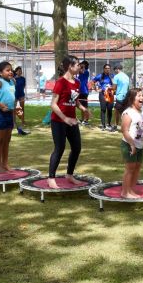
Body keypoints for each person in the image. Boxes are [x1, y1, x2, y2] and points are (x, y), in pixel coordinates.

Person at [48, 55, 89, 188]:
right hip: (58, 121)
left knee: (77, 148)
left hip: (72, 121)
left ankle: (69, 175)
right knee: (59, 148)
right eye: (77, 65)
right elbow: (53, 104)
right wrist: (64, 118)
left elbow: (74, 100)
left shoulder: (77, 82)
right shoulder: (61, 82)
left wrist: (83, 108)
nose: (79, 67)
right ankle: (51, 178)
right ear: (70, 67)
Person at [120, 88, 143, 198]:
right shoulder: (128, 113)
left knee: (137, 167)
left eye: (142, 96)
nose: (142, 98)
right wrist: (131, 144)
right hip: (129, 144)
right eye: (139, 96)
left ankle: (130, 190)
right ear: (131, 98)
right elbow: (124, 130)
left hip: (140, 144)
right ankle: (125, 192)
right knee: (130, 168)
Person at [92, 63, 115, 131]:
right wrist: (96, 89)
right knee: (103, 109)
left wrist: (112, 88)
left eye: (109, 68)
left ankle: (109, 124)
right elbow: (93, 82)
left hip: (110, 94)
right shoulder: (100, 76)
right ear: (104, 69)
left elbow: (115, 84)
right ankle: (103, 125)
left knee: (110, 109)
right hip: (102, 95)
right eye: (106, 68)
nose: (107, 70)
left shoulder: (112, 76)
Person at [111, 64, 130, 132]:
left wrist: (109, 87)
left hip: (119, 96)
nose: (115, 71)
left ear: (117, 69)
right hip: (126, 96)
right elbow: (128, 87)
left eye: (115, 70)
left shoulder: (116, 76)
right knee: (126, 112)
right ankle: (127, 127)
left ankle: (115, 126)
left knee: (116, 112)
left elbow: (114, 87)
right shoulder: (126, 76)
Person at [13, 66, 29, 135]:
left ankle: (23, 121)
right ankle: (14, 122)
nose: (20, 72)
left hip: (21, 94)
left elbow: (24, 86)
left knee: (22, 108)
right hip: (15, 94)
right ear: (16, 72)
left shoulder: (23, 78)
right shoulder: (13, 79)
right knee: (13, 109)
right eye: (18, 71)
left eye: (20, 70)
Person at [77, 60, 91, 126]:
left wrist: (81, 66)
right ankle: (82, 119)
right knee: (81, 106)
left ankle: (86, 120)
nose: (80, 66)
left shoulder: (86, 72)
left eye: (82, 65)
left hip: (84, 91)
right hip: (79, 91)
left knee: (85, 106)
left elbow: (80, 70)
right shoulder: (80, 73)